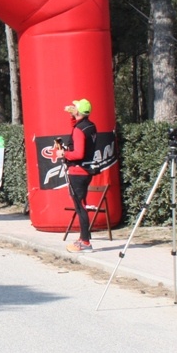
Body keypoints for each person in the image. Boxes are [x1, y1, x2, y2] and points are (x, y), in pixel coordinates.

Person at [56, 98, 98, 253]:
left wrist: (63, 153)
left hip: (77, 171)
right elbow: (77, 130)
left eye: (75, 107)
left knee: (80, 208)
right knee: (82, 206)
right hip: (86, 170)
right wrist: (73, 116)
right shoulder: (90, 126)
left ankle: (85, 242)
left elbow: (78, 153)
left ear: (79, 111)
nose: (72, 108)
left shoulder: (80, 129)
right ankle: (83, 238)